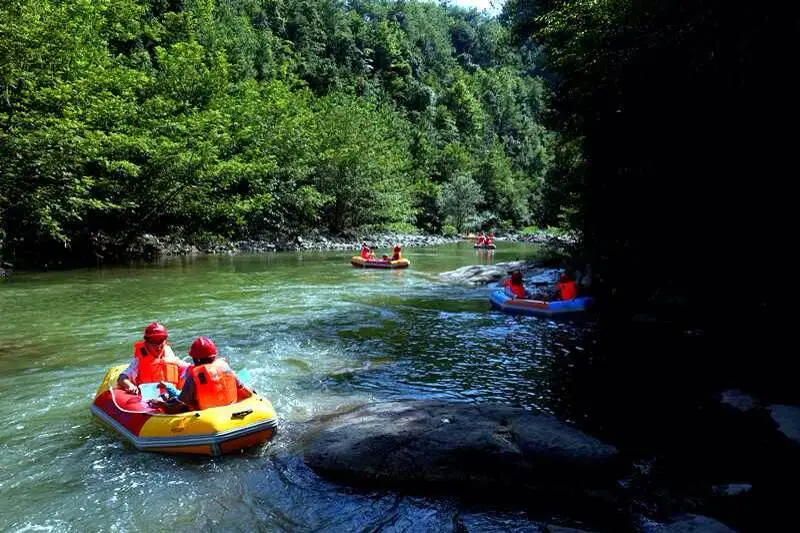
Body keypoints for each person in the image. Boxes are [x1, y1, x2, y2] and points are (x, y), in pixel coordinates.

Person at [151, 336, 252, 413]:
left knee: (171, 400)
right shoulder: (226, 368)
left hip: (206, 418)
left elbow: (176, 407)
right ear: (214, 356)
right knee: (175, 395)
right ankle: (169, 388)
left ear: (196, 359)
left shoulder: (194, 377)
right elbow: (245, 391)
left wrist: (162, 405)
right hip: (230, 411)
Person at [117, 322, 188, 395]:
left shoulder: (170, 357)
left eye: (161, 340)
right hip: (148, 400)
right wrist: (130, 386)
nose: (158, 346)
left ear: (165, 341)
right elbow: (122, 378)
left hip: (171, 397)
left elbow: (189, 369)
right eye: (154, 341)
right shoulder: (138, 361)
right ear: (147, 342)